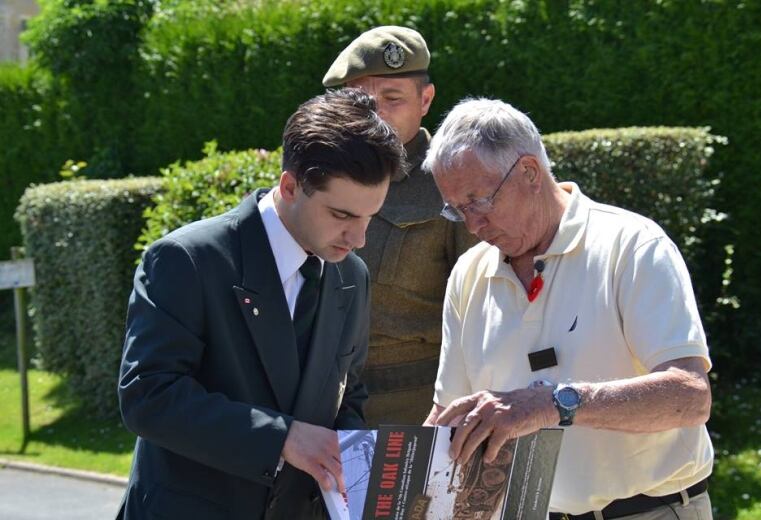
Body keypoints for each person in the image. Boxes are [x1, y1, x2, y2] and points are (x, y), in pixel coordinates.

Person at [116, 88, 404, 519]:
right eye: (342, 216)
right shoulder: (188, 259)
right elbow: (148, 396)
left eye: (370, 217)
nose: (359, 238)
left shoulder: (352, 276)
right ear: (290, 186)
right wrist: (281, 438)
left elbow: (348, 396)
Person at [422, 98, 714, 519]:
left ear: (529, 172)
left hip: (649, 511)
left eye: (479, 201)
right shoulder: (469, 274)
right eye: (457, 210)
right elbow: (448, 415)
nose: (472, 225)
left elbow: (690, 397)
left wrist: (550, 405)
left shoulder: (632, 245)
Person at [323, 26, 477, 425]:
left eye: (393, 99)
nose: (376, 114)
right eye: (361, 101)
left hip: (413, 408)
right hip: (319, 398)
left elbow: (482, 309)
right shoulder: (317, 176)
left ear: (425, 100)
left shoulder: (451, 183)